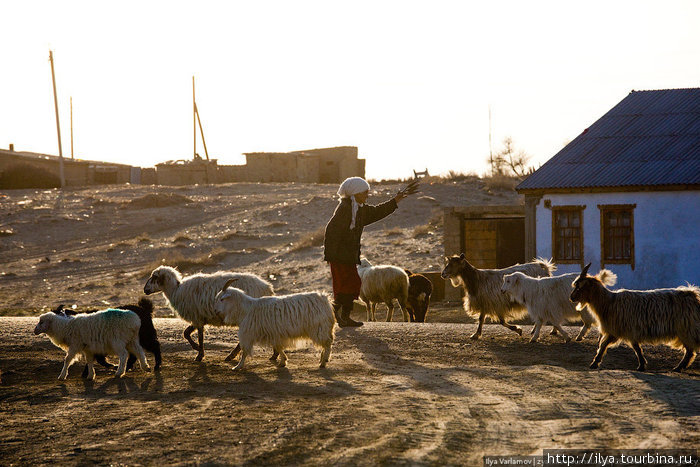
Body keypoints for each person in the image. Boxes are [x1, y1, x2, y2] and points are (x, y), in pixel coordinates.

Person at [323, 177, 415, 327]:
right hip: (340, 257)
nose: (367, 195)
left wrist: (395, 201)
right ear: (356, 192)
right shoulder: (345, 209)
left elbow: (377, 212)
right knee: (343, 287)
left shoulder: (358, 209)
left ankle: (342, 316)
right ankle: (337, 317)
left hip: (349, 257)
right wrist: (331, 255)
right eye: (365, 192)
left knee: (353, 284)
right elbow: (331, 231)